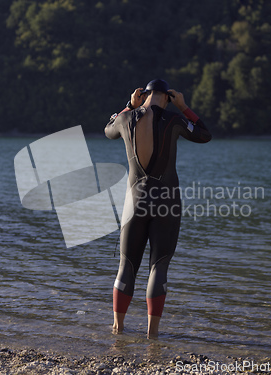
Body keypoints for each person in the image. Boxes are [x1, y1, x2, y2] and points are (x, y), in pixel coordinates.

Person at [104, 79, 211, 338]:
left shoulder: (125, 119)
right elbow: (204, 134)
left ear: (145, 94)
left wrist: (130, 104)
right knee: (158, 266)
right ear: (167, 97)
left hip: (134, 201)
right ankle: (152, 334)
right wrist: (185, 108)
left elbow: (107, 129)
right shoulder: (174, 120)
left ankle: (118, 328)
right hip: (167, 201)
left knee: (126, 265)